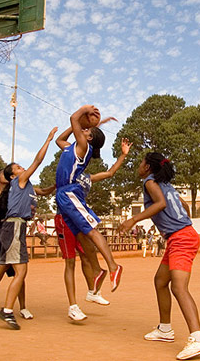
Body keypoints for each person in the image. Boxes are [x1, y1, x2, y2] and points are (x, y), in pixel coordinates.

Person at [119, 152, 200, 360]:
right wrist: (178, 221)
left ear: (148, 167)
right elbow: (184, 206)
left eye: (141, 162)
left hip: (181, 238)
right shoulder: (167, 185)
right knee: (160, 281)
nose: (139, 165)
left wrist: (133, 220)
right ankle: (164, 329)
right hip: (180, 236)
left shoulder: (149, 182)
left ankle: (199, 338)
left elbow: (160, 204)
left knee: (178, 287)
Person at [0, 127, 57, 330]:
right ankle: (7, 311)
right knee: (21, 270)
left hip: (13, 227)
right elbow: (38, 161)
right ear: (13, 176)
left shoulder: (29, 186)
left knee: (4, 264)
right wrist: (48, 140)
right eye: (18, 167)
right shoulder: (20, 181)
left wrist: (59, 182)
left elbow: (45, 190)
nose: (23, 168)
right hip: (14, 226)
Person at [55, 128, 131, 320]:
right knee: (74, 258)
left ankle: (97, 284)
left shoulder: (86, 177)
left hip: (74, 207)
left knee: (88, 250)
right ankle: (93, 286)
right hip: (66, 213)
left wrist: (123, 155)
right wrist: (80, 127)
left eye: (87, 130)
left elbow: (110, 172)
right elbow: (60, 140)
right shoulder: (73, 157)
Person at [54, 105, 122, 293]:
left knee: (91, 230)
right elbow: (60, 139)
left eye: (86, 131)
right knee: (82, 235)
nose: (83, 130)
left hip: (69, 193)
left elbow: (74, 119)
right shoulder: (71, 148)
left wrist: (85, 109)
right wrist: (88, 124)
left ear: (88, 138)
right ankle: (98, 270)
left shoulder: (83, 147)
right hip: (62, 195)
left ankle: (113, 266)